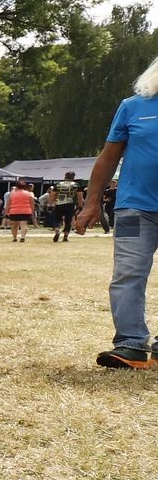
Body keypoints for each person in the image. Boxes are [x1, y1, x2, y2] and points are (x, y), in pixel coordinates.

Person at [75, 56, 158, 369]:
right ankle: (130, 345)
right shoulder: (133, 107)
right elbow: (108, 159)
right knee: (127, 274)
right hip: (134, 209)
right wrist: (91, 202)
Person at [48, 171, 81, 241]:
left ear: (65, 176)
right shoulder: (76, 185)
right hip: (70, 203)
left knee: (57, 219)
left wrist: (50, 204)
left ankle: (57, 230)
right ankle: (65, 236)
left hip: (59, 203)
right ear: (73, 177)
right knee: (68, 220)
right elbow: (79, 196)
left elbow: (52, 195)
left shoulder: (58, 184)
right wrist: (80, 206)